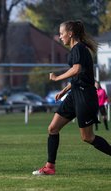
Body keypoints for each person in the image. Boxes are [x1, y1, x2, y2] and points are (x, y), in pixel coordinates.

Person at [32, 20, 111, 176]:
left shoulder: (79, 48)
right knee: (53, 128)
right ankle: (50, 167)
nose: (60, 37)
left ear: (70, 33)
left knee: (87, 137)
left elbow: (77, 69)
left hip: (85, 97)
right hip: (73, 94)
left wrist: (56, 78)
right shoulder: (76, 49)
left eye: (61, 33)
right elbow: (79, 75)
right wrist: (64, 90)